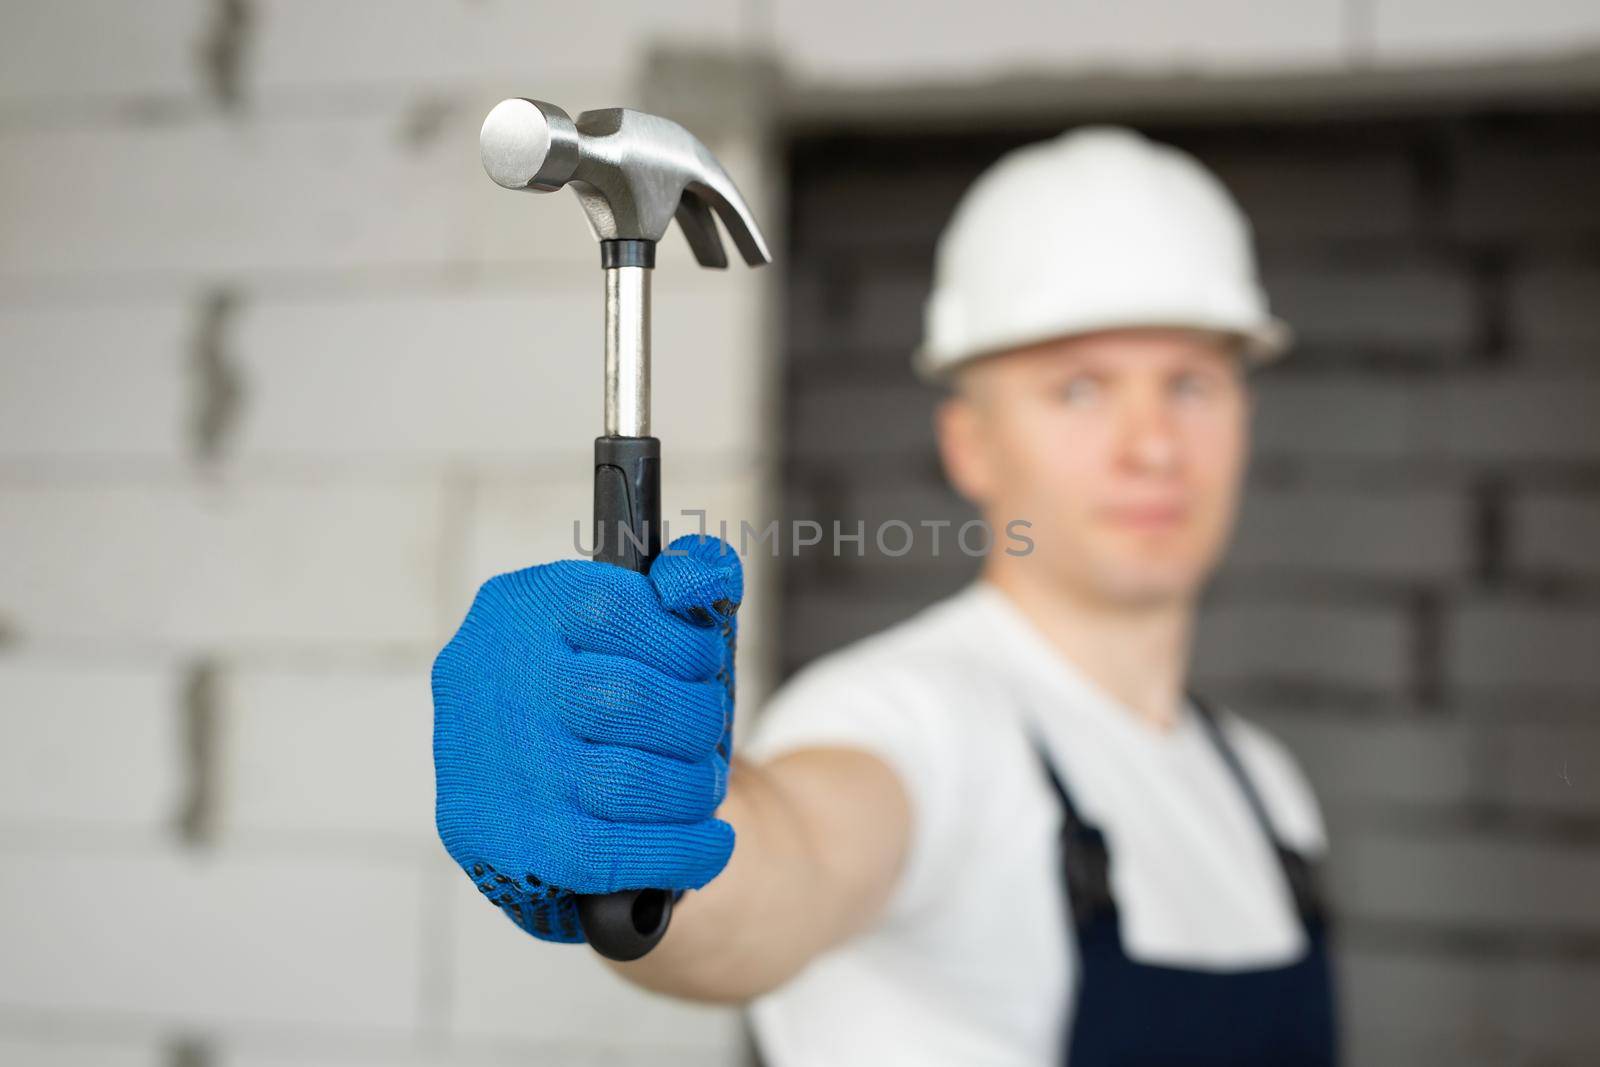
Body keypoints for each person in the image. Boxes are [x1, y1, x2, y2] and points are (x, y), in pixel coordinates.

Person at [432, 126, 1338, 1066]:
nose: (1152, 446)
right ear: (969, 444)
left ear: (1245, 415)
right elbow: (789, 861)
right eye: (1079, 390)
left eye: (1191, 384)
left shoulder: (1268, 789)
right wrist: (638, 816)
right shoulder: (907, 716)